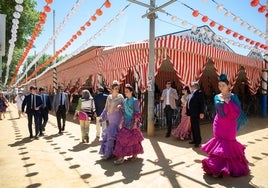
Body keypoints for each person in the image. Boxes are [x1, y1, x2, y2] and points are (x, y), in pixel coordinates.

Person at [201, 74, 249, 177]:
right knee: (219, 146)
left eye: (223, 85)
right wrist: (225, 103)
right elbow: (221, 113)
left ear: (228, 86)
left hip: (230, 125)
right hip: (219, 124)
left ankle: (229, 168)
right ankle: (216, 168)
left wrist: (228, 103)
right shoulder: (216, 97)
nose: (221, 87)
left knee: (229, 145)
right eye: (219, 85)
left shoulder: (233, 97)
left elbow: (236, 113)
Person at [113, 83, 144, 165]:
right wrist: (120, 107)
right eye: (125, 91)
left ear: (131, 92)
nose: (125, 93)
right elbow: (124, 110)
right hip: (125, 122)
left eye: (127, 91)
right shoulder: (125, 101)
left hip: (132, 123)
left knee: (134, 140)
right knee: (122, 140)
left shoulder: (134, 101)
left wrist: (135, 123)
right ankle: (121, 157)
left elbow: (137, 112)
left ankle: (134, 155)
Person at [99, 80, 124, 160]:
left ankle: (108, 154)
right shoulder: (109, 97)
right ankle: (111, 153)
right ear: (112, 89)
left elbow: (124, 106)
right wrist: (102, 117)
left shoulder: (120, 97)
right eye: (115, 88)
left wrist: (120, 106)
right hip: (110, 118)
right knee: (110, 136)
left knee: (113, 137)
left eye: (118, 88)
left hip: (117, 118)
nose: (117, 90)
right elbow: (106, 108)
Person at [186, 82, 205, 148]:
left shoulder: (199, 92)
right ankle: (194, 140)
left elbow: (202, 103)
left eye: (192, 86)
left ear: (195, 86)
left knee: (196, 127)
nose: (191, 87)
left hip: (196, 113)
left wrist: (202, 112)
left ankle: (198, 141)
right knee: (193, 127)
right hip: (192, 113)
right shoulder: (193, 93)